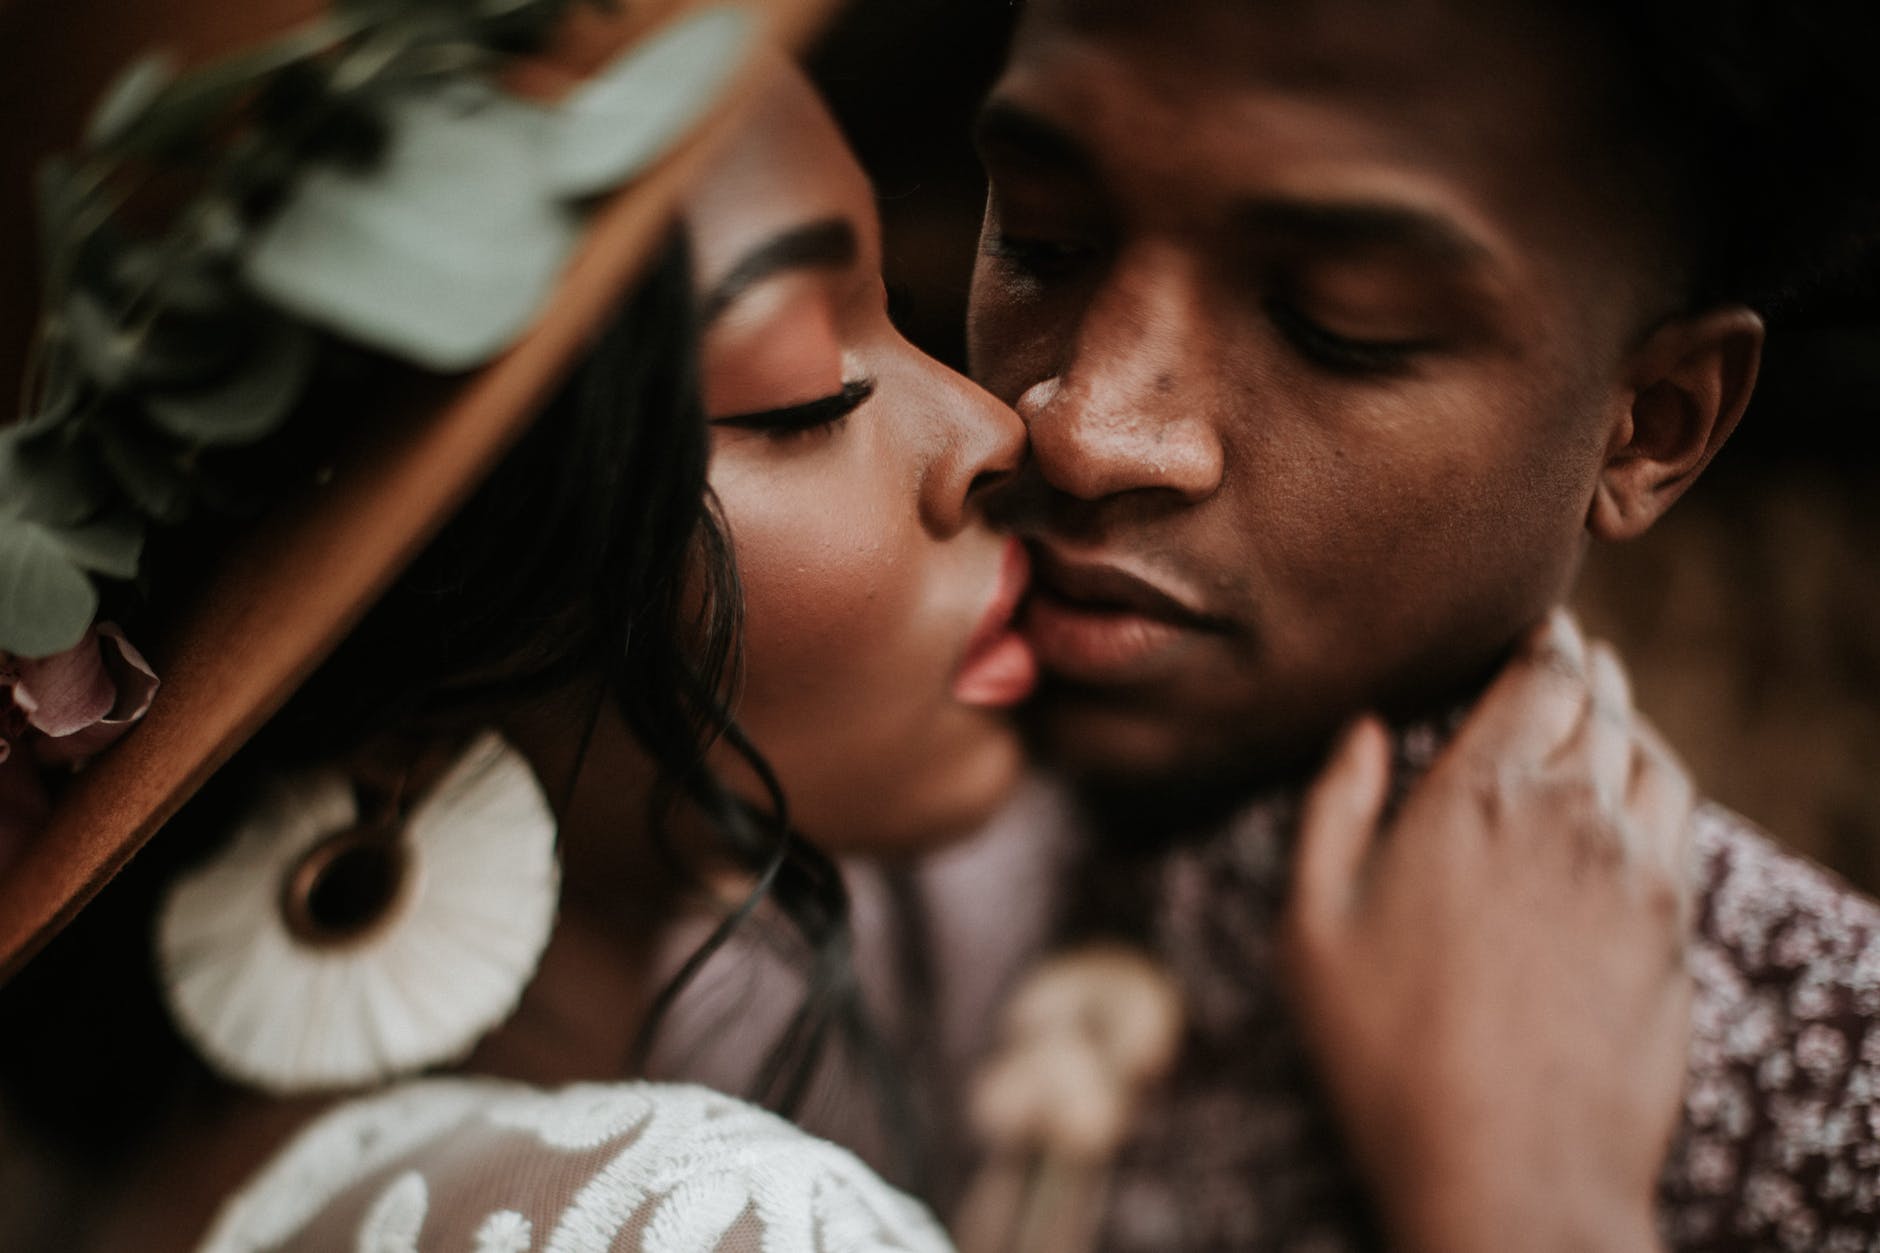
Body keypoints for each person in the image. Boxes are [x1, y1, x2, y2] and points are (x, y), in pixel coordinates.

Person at [0, 4, 1692, 1252]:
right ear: (406, 688)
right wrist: (1528, 1204)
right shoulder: (718, 1220)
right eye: (807, 395)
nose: (1005, 428)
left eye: (911, 309)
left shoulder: (164, 1187)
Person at [757, 0, 1880, 1248]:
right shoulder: (810, 801)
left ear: (1651, 426)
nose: (1081, 427)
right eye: (1042, 237)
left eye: (1338, 322)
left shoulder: (1821, 1095)